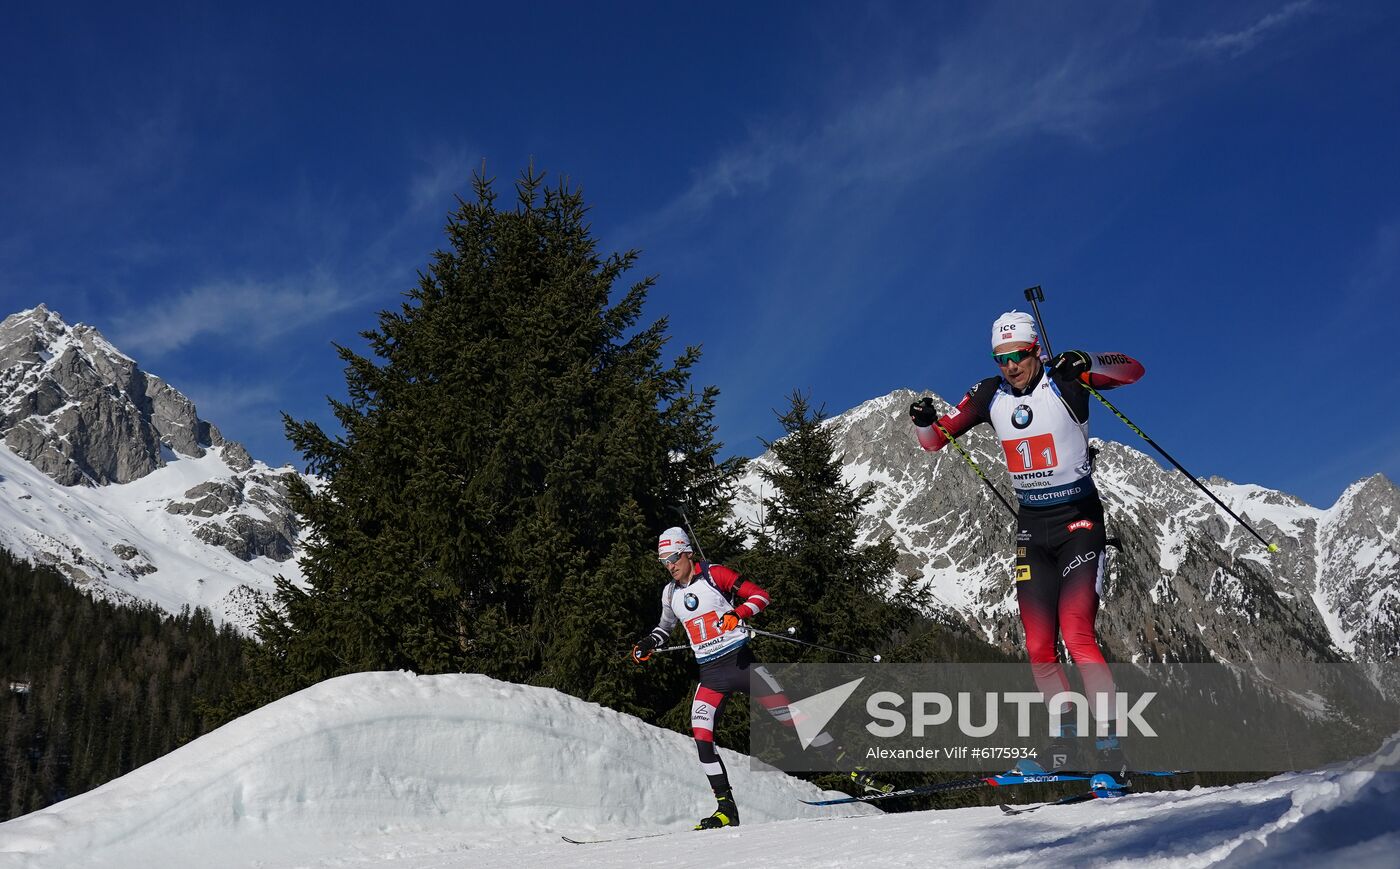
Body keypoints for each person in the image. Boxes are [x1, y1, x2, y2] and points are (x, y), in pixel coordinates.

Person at [908, 310, 1126, 776]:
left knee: (1077, 633)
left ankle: (1111, 747)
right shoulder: (990, 394)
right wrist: (924, 420)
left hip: (1079, 522)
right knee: (1039, 646)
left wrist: (1087, 359)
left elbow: (1129, 369)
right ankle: (1064, 745)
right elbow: (934, 442)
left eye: (1019, 357)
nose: (1010, 366)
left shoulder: (1066, 382)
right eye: (1001, 358)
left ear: (1036, 352)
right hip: (1032, 527)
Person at [632, 527, 884, 830]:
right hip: (711, 676)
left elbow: (761, 596)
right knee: (702, 737)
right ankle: (726, 808)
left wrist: (737, 613)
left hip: (741, 665)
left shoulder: (714, 575)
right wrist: (649, 643)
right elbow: (664, 627)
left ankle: (853, 769)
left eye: (673, 558)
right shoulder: (670, 593)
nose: (669, 565)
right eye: (664, 561)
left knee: (793, 716)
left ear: (687, 553)